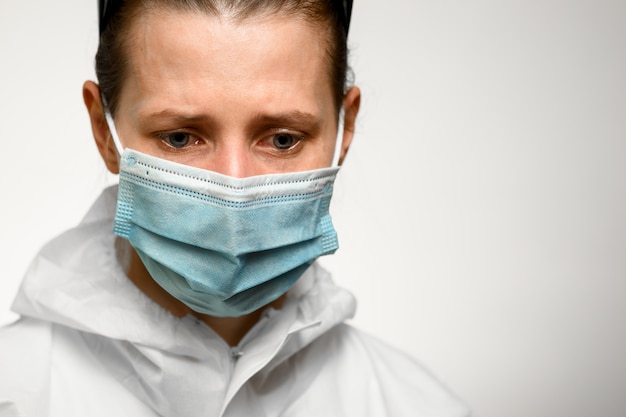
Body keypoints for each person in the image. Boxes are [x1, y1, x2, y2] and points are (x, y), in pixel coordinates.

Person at [0, 1, 470, 416]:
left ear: (344, 133)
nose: (234, 186)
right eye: (180, 137)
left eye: (282, 139)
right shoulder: (14, 395)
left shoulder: (417, 407)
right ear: (105, 132)